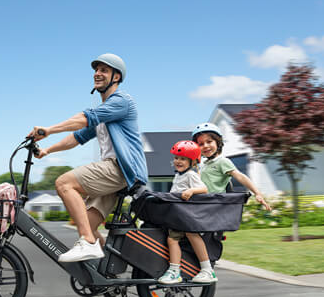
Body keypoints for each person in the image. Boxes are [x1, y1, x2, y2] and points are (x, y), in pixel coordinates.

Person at [28, 53, 148, 263]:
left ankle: (88, 243)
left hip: (121, 170)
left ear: (116, 77)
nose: (97, 73)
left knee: (64, 183)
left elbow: (84, 118)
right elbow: (77, 137)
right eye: (96, 70)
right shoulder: (104, 112)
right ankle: (106, 279)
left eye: (104, 70)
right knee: (87, 225)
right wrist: (47, 151)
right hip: (113, 174)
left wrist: (49, 129)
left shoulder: (121, 101)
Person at [158, 140, 213, 284]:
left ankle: (202, 270)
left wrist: (191, 190)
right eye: (176, 158)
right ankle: (178, 270)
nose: (178, 161)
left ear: (192, 162)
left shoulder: (190, 175)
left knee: (184, 237)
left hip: (187, 215)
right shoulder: (178, 175)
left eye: (182, 159)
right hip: (179, 215)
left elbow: (204, 189)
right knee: (175, 239)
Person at [191, 122, 271, 212]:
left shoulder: (222, 161)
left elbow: (240, 176)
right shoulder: (203, 163)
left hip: (215, 204)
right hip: (203, 203)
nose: (205, 146)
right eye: (201, 144)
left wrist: (257, 193)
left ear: (218, 142)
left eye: (209, 141)